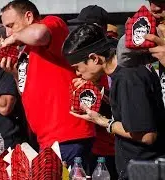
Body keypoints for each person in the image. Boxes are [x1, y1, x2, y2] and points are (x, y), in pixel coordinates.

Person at [63, 24, 165, 180]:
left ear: (94, 58)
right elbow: (134, 108)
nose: (77, 73)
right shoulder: (125, 73)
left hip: (144, 170)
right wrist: (102, 95)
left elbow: (146, 135)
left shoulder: (128, 77)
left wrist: (102, 121)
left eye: (78, 67)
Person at [0, 0, 95, 166]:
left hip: (68, 135)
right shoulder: (27, 50)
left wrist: (15, 37)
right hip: (48, 138)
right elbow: (27, 91)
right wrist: (15, 74)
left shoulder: (52, 23)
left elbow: (38, 35)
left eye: (11, 25)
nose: (8, 33)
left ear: (28, 17)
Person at [68, 5, 118, 178]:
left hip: (114, 146)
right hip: (94, 142)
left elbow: (119, 104)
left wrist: (95, 90)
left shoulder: (114, 57)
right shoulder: (87, 59)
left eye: (83, 27)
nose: (78, 31)